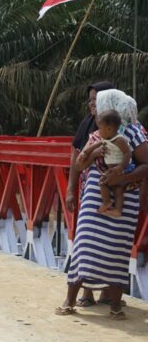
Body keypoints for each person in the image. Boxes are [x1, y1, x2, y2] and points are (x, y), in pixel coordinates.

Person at [58, 89, 148, 319]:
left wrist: (123, 177)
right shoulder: (97, 132)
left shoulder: (135, 132)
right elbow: (79, 164)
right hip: (94, 196)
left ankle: (115, 304)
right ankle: (70, 300)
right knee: (84, 245)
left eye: (98, 103)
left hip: (125, 197)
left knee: (117, 250)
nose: (95, 107)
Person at [66, 81, 115, 307]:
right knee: (86, 240)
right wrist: (70, 190)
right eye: (90, 101)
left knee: (111, 242)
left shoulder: (120, 123)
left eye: (96, 100)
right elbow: (75, 155)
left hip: (118, 191)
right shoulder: (87, 124)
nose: (91, 105)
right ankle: (86, 292)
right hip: (91, 191)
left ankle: (107, 293)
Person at [75, 110, 131, 217]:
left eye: (100, 128)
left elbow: (128, 153)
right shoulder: (105, 138)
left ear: (109, 129)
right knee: (115, 188)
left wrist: (121, 166)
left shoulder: (119, 140)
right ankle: (114, 208)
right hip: (110, 169)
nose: (98, 131)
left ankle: (110, 204)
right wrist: (85, 152)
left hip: (118, 170)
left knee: (112, 187)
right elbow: (95, 145)